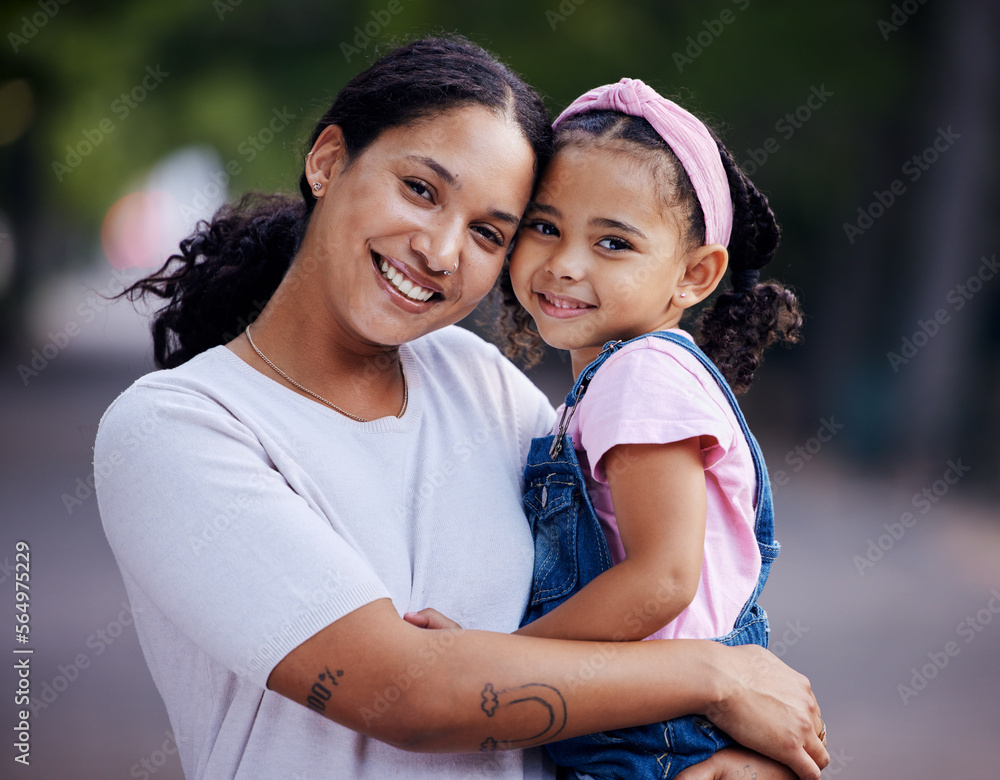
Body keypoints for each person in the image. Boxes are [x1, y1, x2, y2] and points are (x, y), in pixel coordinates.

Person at [96, 37, 828, 780]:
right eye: (420, 188)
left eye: (489, 232)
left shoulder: (481, 382)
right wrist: (716, 678)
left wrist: (748, 758)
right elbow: (406, 697)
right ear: (327, 160)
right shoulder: (177, 428)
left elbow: (668, 585)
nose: (441, 250)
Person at [404, 78, 813, 778]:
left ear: (693, 275)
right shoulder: (622, 385)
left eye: (614, 243)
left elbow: (663, 578)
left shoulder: (640, 377)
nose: (565, 263)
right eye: (544, 226)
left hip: (652, 735)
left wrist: (500, 657)